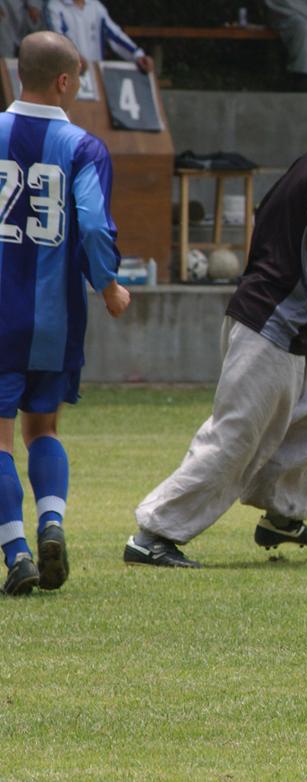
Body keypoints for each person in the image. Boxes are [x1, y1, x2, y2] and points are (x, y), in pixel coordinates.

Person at [124, 86, 307, 569]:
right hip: (271, 324)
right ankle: (153, 533)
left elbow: (267, 216)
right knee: (236, 436)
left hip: (288, 321)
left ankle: (282, 514)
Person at [1, 31, 130, 595]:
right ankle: (52, 520)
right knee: (43, 428)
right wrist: (107, 285)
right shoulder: (84, 147)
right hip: (54, 317)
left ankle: (17, 553)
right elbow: (95, 223)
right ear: (63, 80)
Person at [44, 0, 154, 73]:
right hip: (66, 75)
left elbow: (115, 35)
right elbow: (58, 39)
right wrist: (74, 59)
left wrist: (138, 55)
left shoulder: (96, 6)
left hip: (96, 76)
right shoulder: (53, 6)